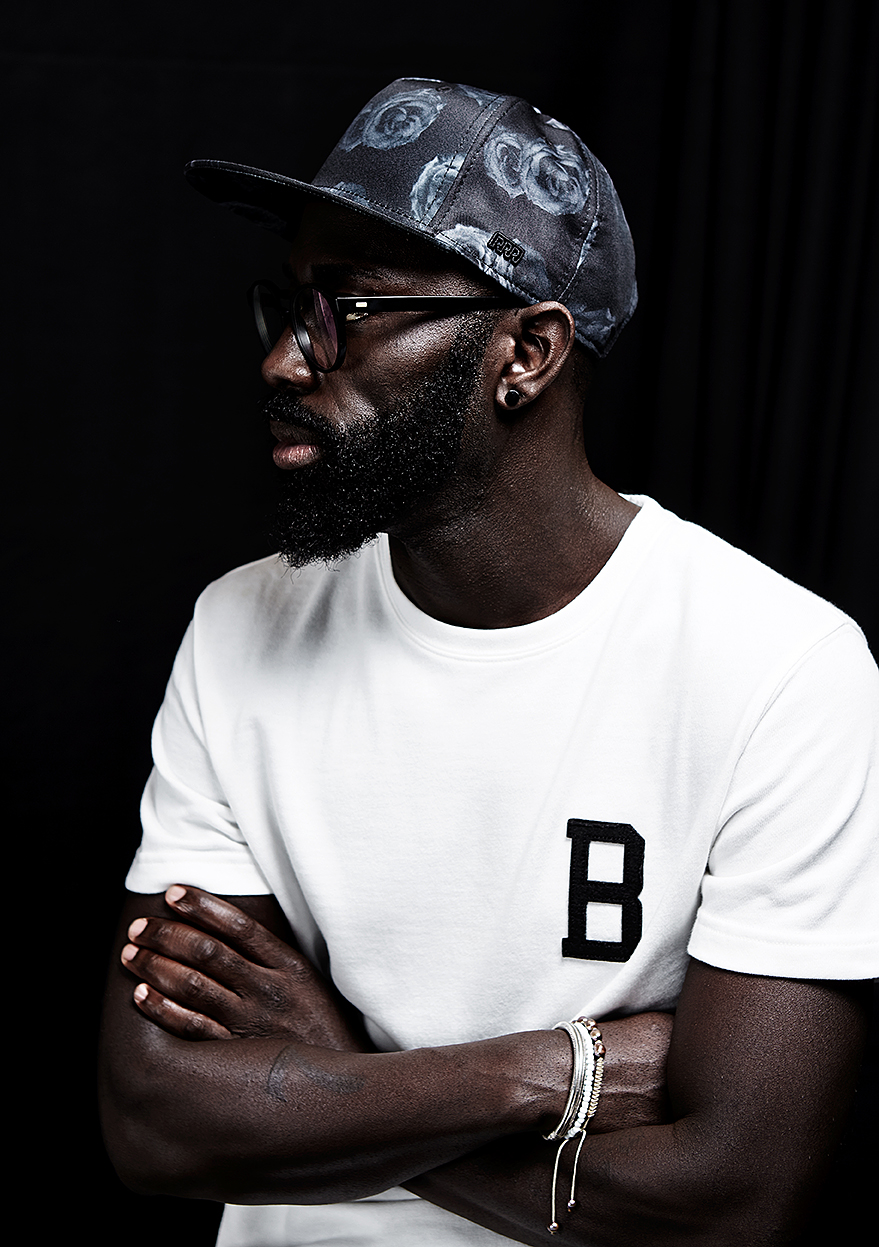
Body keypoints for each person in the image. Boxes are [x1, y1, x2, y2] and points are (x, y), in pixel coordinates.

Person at [99, 78, 878, 1247]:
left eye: (346, 309)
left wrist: (328, 1065)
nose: (284, 362)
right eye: (287, 306)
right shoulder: (238, 627)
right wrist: (549, 1070)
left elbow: (734, 1196)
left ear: (526, 351)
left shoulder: (782, 668)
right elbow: (159, 1121)